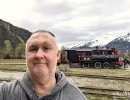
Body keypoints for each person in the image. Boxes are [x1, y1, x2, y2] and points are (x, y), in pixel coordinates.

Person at [0, 30, 87, 100]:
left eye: (46, 48)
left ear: (58, 55)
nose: (39, 55)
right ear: (26, 55)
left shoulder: (76, 96)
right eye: (33, 49)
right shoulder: (4, 92)